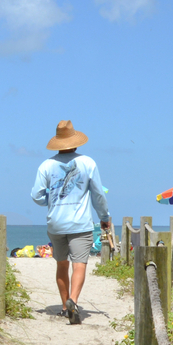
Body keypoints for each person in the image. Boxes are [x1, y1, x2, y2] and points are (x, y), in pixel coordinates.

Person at [30, 120, 111, 324]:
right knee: (80, 264)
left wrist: (53, 200)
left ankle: (65, 306)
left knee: (61, 264)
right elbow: (98, 195)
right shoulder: (88, 163)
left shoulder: (46, 165)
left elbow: (36, 196)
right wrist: (104, 217)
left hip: (56, 223)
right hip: (80, 224)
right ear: (75, 141)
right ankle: (73, 301)